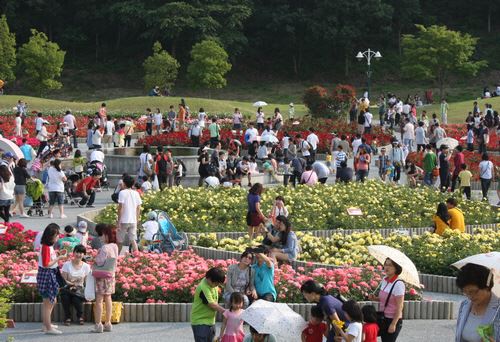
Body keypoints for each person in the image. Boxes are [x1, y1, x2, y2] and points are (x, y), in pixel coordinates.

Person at [455, 263, 500, 342]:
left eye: (474, 291)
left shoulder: (498, 309)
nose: (470, 296)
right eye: (465, 292)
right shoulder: (464, 305)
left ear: (487, 286)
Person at [37, 223, 66, 335]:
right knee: (49, 302)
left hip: (49, 274)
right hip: (47, 274)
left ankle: (46, 324)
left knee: (49, 301)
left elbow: (47, 259)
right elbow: (46, 264)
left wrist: (57, 254)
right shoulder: (46, 247)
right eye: (56, 234)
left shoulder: (48, 246)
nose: (58, 236)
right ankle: (48, 327)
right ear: (51, 236)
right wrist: (59, 258)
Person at [367, 258, 405, 342]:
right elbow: (384, 299)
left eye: (390, 265)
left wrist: (393, 324)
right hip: (383, 317)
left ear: (396, 268)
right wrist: (375, 298)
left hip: (393, 319)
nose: (386, 267)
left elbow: (400, 306)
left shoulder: (398, 284)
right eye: (386, 264)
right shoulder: (384, 280)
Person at [92, 224, 119, 333]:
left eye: (102, 235)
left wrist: (94, 258)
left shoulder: (104, 247)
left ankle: (98, 325)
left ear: (106, 235)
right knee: (108, 299)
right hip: (110, 275)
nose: (100, 237)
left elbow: (100, 261)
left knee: (99, 300)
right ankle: (108, 323)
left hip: (102, 276)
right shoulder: (115, 246)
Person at [191, 267, 226, 342]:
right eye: (216, 283)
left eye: (219, 283)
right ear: (209, 279)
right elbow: (211, 304)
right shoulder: (203, 288)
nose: (217, 285)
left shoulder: (213, 284)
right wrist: (225, 311)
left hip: (211, 321)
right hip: (200, 322)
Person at [60, 244, 91, 326]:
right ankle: (67, 317)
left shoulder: (86, 266)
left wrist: (89, 293)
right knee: (65, 297)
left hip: (79, 289)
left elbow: (87, 282)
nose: (79, 255)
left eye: (81, 253)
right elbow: (63, 280)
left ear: (84, 254)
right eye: (77, 252)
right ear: (73, 253)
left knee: (76, 298)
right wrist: (72, 284)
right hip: (67, 288)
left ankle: (80, 316)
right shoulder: (67, 264)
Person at [117, 175, 141, 252]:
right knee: (133, 240)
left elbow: (121, 208)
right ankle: (138, 257)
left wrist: (118, 221)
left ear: (124, 183)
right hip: (133, 220)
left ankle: (116, 258)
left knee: (120, 241)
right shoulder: (136, 193)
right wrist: (136, 220)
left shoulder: (122, 193)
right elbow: (138, 208)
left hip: (124, 220)